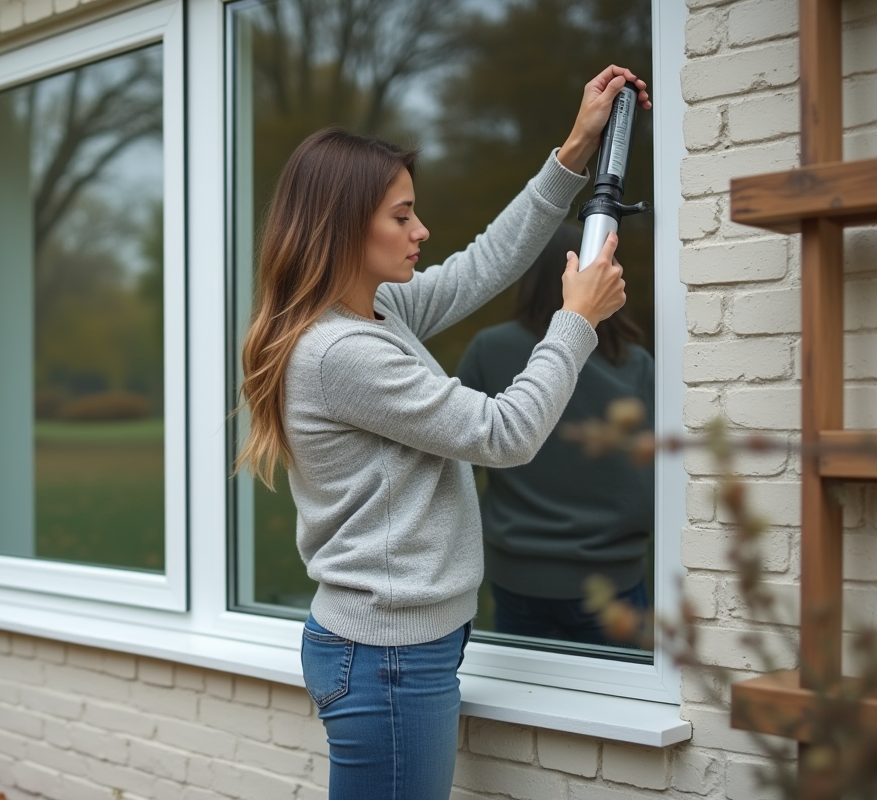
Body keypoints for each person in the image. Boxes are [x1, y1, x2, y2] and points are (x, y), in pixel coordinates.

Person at [236, 66, 651, 800]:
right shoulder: (341, 353)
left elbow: (483, 266)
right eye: (401, 216)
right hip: (386, 657)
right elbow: (503, 432)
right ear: (342, 227)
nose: (420, 231)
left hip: (397, 649)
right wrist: (576, 321)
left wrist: (574, 152)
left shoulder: (376, 314)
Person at [455, 223, 655, 647]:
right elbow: (657, 472)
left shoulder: (490, 348)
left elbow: (457, 465)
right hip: (612, 579)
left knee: (526, 689)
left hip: (517, 575)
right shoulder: (635, 363)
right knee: (616, 690)